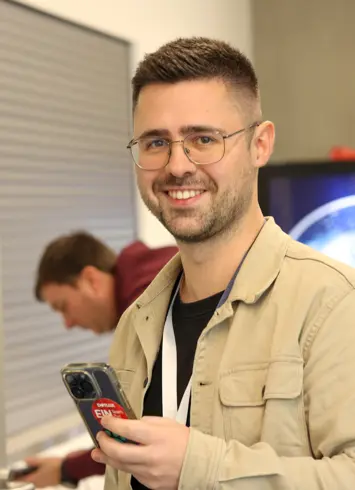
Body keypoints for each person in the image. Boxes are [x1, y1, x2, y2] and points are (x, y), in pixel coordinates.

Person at [87, 37, 355, 490]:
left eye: (203, 139)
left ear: (260, 144)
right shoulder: (136, 326)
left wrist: (199, 466)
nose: (176, 166)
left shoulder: (332, 304)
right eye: (155, 142)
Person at [19, 231, 177, 488]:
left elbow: (136, 436)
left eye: (63, 307)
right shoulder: (151, 276)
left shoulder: (146, 305)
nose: (67, 324)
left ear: (91, 280)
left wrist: (67, 468)